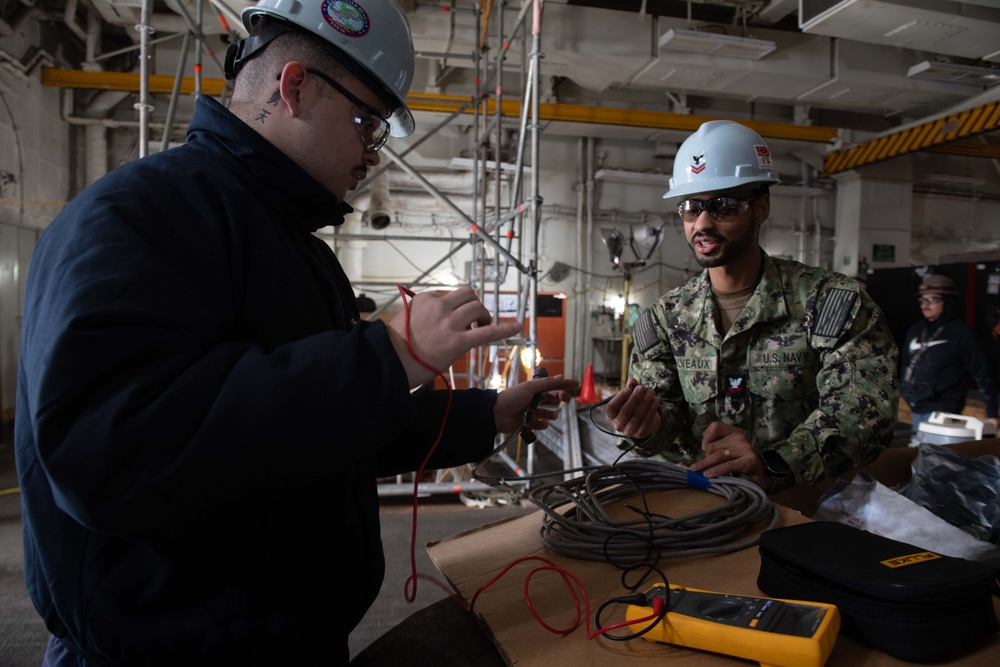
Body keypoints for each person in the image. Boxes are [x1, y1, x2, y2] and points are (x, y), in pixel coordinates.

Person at [14, 1, 577, 665]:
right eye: (367, 121)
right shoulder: (137, 218)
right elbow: (114, 451)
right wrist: (390, 354)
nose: (373, 155)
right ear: (295, 87)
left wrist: (484, 413)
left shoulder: (296, 250)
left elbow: (321, 431)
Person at [604, 120, 899, 494]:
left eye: (723, 206)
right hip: (702, 512)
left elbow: (865, 415)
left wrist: (777, 463)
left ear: (760, 208)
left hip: (805, 510)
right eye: (691, 208)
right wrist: (645, 428)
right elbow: (666, 419)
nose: (703, 223)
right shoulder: (666, 319)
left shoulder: (829, 305)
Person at [899, 273, 1000, 433]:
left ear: (947, 301)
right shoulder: (916, 331)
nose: (925, 305)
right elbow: (904, 364)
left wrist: (992, 413)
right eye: (923, 300)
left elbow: (983, 373)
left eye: (932, 300)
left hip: (943, 413)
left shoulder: (961, 334)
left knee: (937, 456)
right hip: (916, 408)